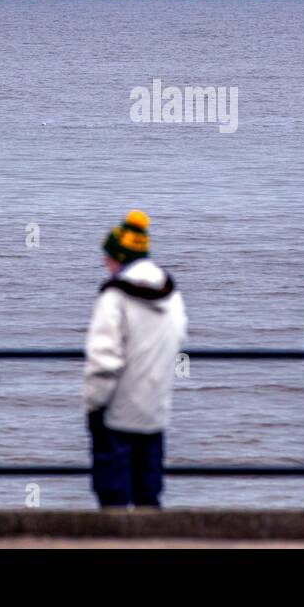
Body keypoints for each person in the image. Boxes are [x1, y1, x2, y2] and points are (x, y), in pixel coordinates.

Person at [83, 211, 187, 508]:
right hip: (155, 411)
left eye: (108, 256)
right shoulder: (171, 294)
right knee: (148, 497)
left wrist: (93, 405)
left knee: (113, 499)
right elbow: (179, 340)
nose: (105, 262)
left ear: (120, 256)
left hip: (115, 415)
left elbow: (103, 362)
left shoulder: (113, 298)